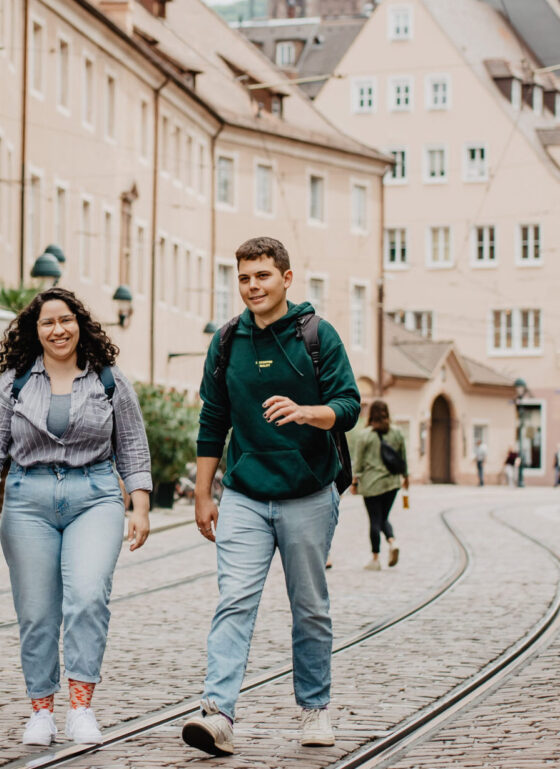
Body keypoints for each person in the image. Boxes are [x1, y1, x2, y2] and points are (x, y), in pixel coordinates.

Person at [182, 236, 360, 756]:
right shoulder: (227, 342)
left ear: (286, 278)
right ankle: (216, 714)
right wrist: (202, 492)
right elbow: (213, 419)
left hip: (307, 491)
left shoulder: (317, 336)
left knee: (309, 606)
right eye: (243, 278)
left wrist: (309, 412)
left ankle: (315, 709)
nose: (252, 286)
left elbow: (348, 404)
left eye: (262, 276)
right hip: (244, 493)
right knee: (234, 600)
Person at [0, 287, 152, 747]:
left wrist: (140, 505)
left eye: (65, 320)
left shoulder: (108, 380)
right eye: (48, 322)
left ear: (79, 324)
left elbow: (132, 445)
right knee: (36, 611)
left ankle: (82, 708)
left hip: (95, 496)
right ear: (36, 331)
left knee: (88, 597)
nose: (58, 329)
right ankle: (41, 711)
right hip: (28, 498)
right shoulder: (12, 384)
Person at [352, 400, 407, 571]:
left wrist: (355, 482)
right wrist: (406, 477)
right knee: (384, 518)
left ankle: (375, 558)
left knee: (375, 520)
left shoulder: (365, 435)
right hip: (392, 483)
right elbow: (402, 457)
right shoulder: (397, 432)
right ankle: (392, 541)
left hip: (371, 483)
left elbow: (359, 462)